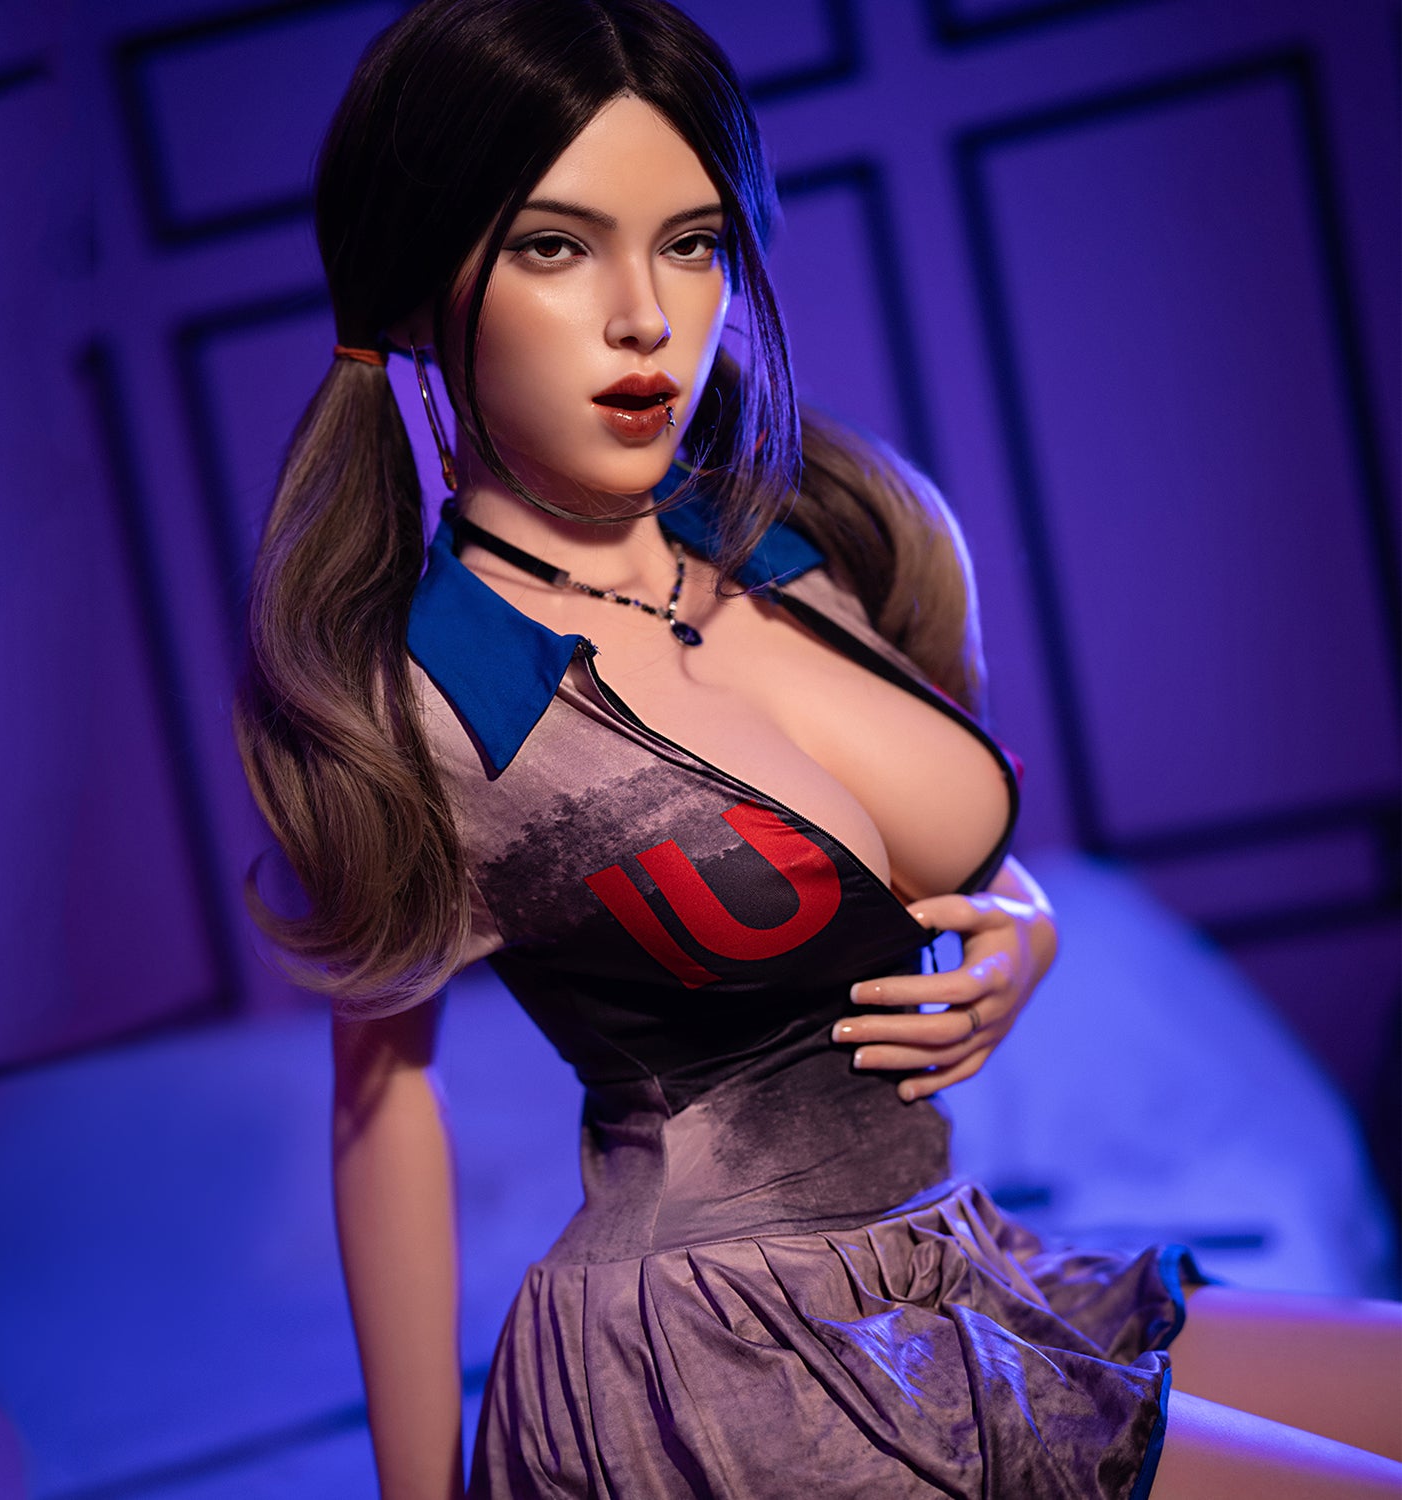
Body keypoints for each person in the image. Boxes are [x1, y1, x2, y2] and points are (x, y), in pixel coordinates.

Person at [234, 1, 1402, 1495]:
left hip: (956, 1262)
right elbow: (383, 1099)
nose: (646, 316)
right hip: (722, 1352)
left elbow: (883, 839)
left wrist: (1026, 919)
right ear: (416, 292)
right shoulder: (431, 699)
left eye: (693, 242)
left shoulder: (805, 547)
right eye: (554, 247)